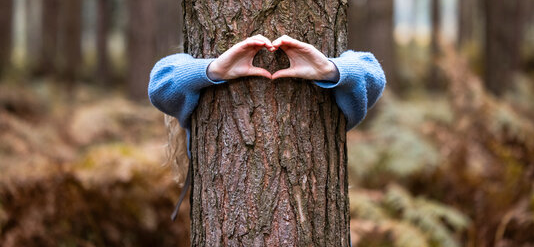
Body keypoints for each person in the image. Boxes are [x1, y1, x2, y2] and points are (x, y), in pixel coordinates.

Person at [147, 34, 386, 220]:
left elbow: (372, 73)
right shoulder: (194, 96)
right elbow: (160, 81)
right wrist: (212, 70)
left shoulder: (336, 93)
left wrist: (330, 70)